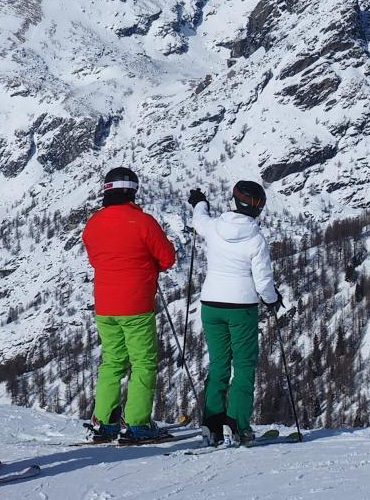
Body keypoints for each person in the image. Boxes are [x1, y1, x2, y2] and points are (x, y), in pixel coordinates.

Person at [82, 166, 177, 443]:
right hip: (136, 304)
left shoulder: (93, 223)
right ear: (133, 191)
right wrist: (148, 265)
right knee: (143, 363)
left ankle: (104, 422)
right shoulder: (143, 222)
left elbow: (95, 259)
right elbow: (167, 258)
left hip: (104, 305)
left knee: (112, 361)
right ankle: (137, 424)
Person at [186, 180, 280, 447]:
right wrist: (272, 300)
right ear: (258, 208)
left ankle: (212, 426)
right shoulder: (256, 239)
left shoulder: (214, 227)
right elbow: (263, 282)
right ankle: (237, 426)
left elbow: (199, 220)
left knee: (218, 365)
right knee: (243, 366)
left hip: (211, 305)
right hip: (241, 308)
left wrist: (200, 202)